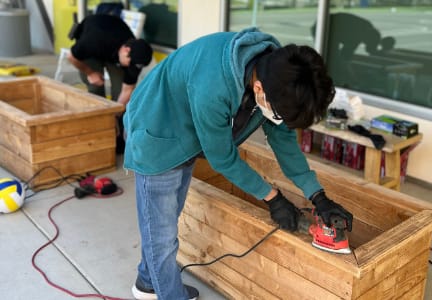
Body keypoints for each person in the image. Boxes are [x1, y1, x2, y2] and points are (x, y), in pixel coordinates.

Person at [123, 28, 354, 300]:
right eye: (279, 114)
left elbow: (283, 140)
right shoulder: (214, 85)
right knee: (161, 235)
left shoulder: (277, 70)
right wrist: (273, 198)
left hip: (187, 130)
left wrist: (318, 195)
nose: (277, 120)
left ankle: (147, 282)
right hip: (157, 133)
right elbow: (222, 158)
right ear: (258, 88)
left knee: (163, 220)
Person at [67, 13, 153, 153]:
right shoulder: (92, 41)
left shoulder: (136, 56)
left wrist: (114, 114)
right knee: (96, 87)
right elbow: (71, 57)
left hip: (113, 51)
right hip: (91, 51)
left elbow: (127, 90)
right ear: (126, 51)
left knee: (120, 94)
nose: (130, 68)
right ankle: (99, 130)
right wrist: (90, 73)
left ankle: (117, 134)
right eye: (129, 64)